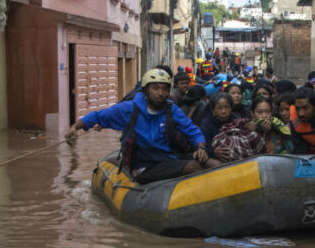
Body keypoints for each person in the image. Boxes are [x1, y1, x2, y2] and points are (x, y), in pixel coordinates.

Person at [66, 69, 220, 183]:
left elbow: (192, 130)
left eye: (165, 89)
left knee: (211, 162)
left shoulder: (171, 109)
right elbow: (98, 116)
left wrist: (200, 146)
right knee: (195, 167)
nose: (161, 93)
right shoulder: (128, 109)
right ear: (146, 90)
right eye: (156, 88)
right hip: (143, 165)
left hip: (166, 159)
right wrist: (75, 127)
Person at [199, 92, 239, 162]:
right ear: (213, 111)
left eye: (227, 107)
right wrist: (214, 152)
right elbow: (203, 146)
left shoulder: (236, 119)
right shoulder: (206, 124)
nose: (224, 111)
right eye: (219, 108)